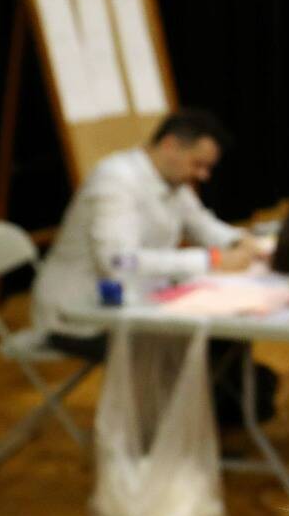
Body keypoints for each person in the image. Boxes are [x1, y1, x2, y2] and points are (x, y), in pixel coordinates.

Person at [34, 108, 255, 360]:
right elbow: (118, 261)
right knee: (204, 340)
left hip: (135, 300)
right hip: (79, 318)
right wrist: (211, 259)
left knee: (226, 331)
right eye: (198, 164)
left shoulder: (171, 178)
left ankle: (235, 396)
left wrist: (240, 240)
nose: (203, 175)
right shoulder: (114, 181)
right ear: (170, 145)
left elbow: (200, 223)